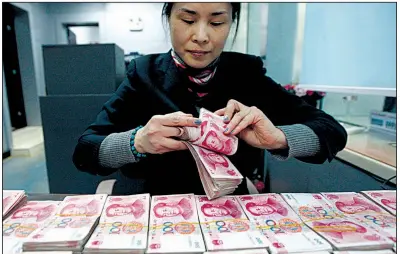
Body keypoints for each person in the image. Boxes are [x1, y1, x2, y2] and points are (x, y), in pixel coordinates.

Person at [73, 2, 347, 196]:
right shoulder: (143, 74)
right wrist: (137, 142)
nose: (201, 37)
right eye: (188, 20)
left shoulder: (247, 74)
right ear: (169, 18)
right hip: (153, 205)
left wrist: (278, 138)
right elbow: (85, 151)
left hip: (228, 212)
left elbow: (333, 132)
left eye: (216, 22)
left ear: (231, 24)